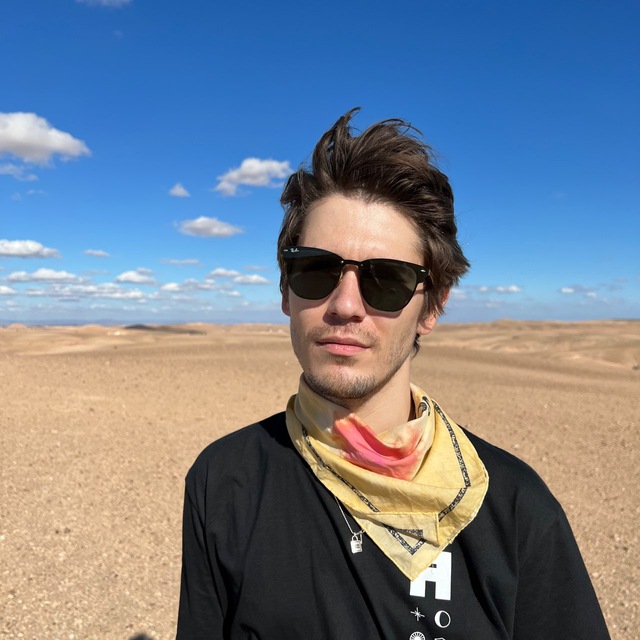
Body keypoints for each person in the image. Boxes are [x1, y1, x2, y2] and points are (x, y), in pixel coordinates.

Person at [176, 109, 610, 639]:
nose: (345, 306)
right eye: (315, 270)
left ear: (432, 306)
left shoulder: (513, 509)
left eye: (387, 280)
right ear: (285, 290)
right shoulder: (225, 481)